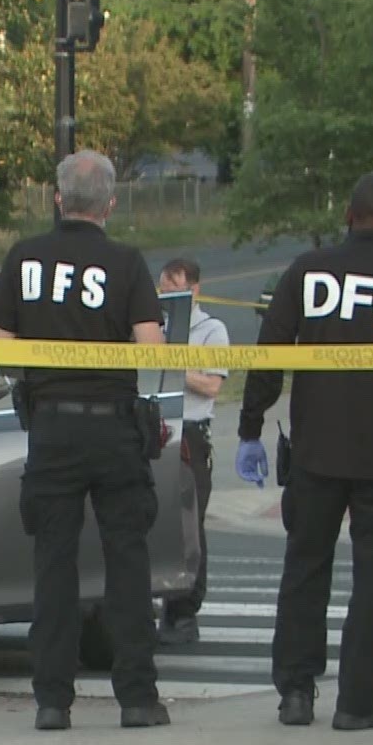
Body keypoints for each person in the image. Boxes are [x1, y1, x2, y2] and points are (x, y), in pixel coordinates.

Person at [235, 173, 373, 731]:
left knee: (305, 568)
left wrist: (250, 428)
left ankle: (295, 691)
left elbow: (270, 353)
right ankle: (358, 702)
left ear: (347, 215)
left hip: (315, 450)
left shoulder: (307, 272)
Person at [0, 150, 173, 732]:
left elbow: (1, 351)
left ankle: (52, 702)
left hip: (52, 430)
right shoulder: (125, 262)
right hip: (114, 428)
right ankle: (137, 699)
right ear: (111, 205)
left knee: (54, 569)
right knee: (128, 567)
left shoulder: (25, 258)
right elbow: (151, 351)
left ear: (57, 199)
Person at [154, 257, 230, 646]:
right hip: (157, 430)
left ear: (195, 288)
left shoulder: (211, 330)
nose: (168, 293)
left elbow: (213, 386)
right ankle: (159, 603)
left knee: (188, 525)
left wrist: (173, 362)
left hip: (191, 435)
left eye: (175, 287)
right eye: (164, 287)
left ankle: (184, 612)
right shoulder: (154, 329)